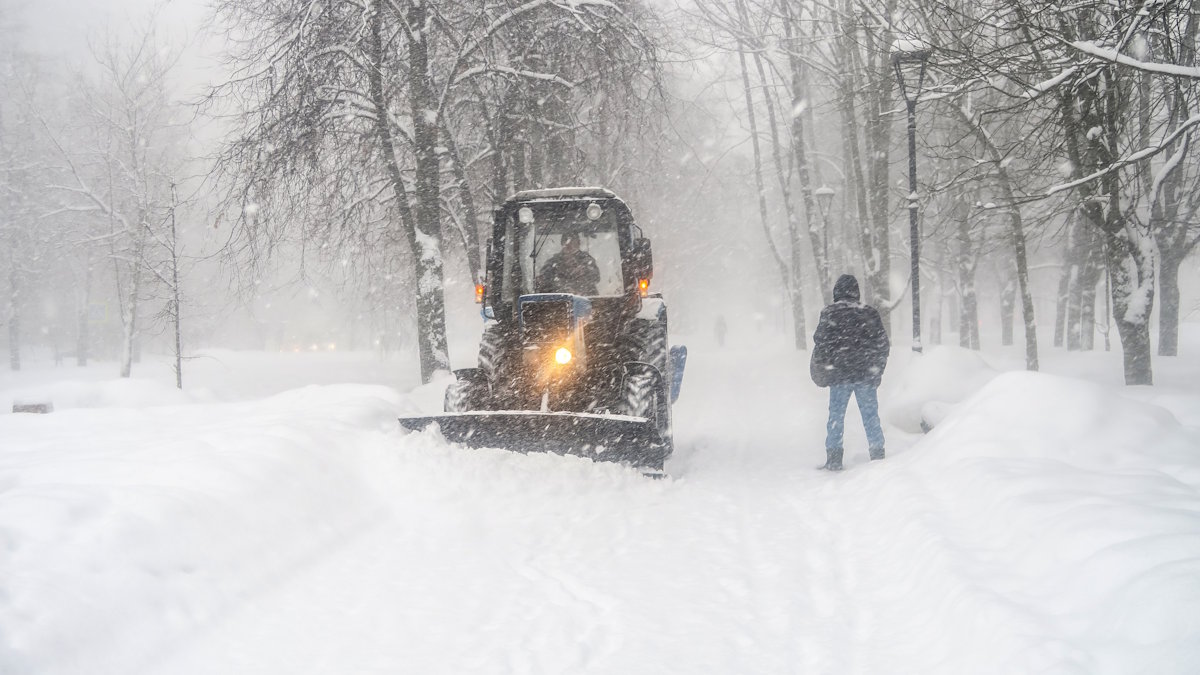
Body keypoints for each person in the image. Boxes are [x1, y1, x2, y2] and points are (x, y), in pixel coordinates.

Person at [810, 274, 890, 471]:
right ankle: (878, 455)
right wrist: (876, 369)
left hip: (839, 375)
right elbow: (882, 345)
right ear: (856, 291)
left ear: (837, 291)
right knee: (871, 417)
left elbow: (821, 342)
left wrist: (826, 365)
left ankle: (834, 458)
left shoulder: (830, 313)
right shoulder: (869, 313)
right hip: (866, 375)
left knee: (836, 418)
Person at [536, 232, 600, 296]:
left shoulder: (586, 260)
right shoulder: (552, 262)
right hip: (560, 298)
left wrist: (583, 271)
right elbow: (544, 280)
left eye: (573, 243)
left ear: (578, 244)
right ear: (562, 244)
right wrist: (561, 271)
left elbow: (596, 277)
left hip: (585, 298)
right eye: (567, 243)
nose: (570, 246)